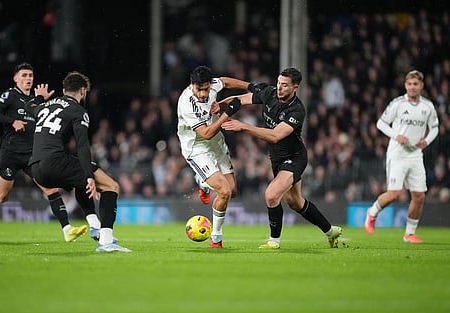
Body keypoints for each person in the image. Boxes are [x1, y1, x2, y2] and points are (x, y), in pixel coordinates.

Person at [0, 63, 99, 242]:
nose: (28, 79)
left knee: (51, 189)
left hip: (32, 153)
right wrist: (12, 121)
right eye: (24, 75)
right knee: (1, 197)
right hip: (11, 151)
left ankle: (67, 229)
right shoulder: (10, 96)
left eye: (30, 75)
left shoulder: (35, 101)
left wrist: (41, 100)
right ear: (16, 78)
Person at [220, 67, 343, 249]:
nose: (279, 88)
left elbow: (275, 136)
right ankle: (330, 231)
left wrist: (243, 127)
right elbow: (239, 100)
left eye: (284, 85)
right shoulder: (269, 93)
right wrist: (218, 105)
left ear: (295, 88)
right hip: (277, 158)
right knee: (296, 202)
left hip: (295, 157)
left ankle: (274, 241)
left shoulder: (297, 110)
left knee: (271, 195)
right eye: (278, 83)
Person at [27, 71, 130, 252]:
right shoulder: (78, 111)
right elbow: (82, 145)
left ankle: (94, 224)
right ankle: (106, 241)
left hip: (35, 169)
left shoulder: (45, 106)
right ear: (82, 91)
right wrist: (89, 175)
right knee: (110, 186)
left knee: (79, 181)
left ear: (64, 89)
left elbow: (30, 109)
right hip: (54, 162)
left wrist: (39, 98)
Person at [176, 65, 251, 248]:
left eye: (206, 89)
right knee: (224, 191)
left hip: (216, 143)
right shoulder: (186, 104)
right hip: (197, 148)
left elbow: (225, 81)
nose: (203, 93)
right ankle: (216, 237)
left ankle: (204, 181)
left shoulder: (213, 86)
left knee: (231, 191)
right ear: (192, 85)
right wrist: (227, 113)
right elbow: (206, 133)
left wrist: (250, 86)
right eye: (199, 89)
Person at [364, 70, 439, 243]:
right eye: (410, 84)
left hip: (415, 155)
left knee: (419, 196)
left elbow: (435, 127)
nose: (413, 87)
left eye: (416, 84)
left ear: (421, 86)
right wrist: (395, 135)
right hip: (397, 153)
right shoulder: (398, 103)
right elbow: (381, 123)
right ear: (405, 85)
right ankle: (372, 212)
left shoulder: (427, 106)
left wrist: (426, 141)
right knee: (394, 194)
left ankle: (409, 233)